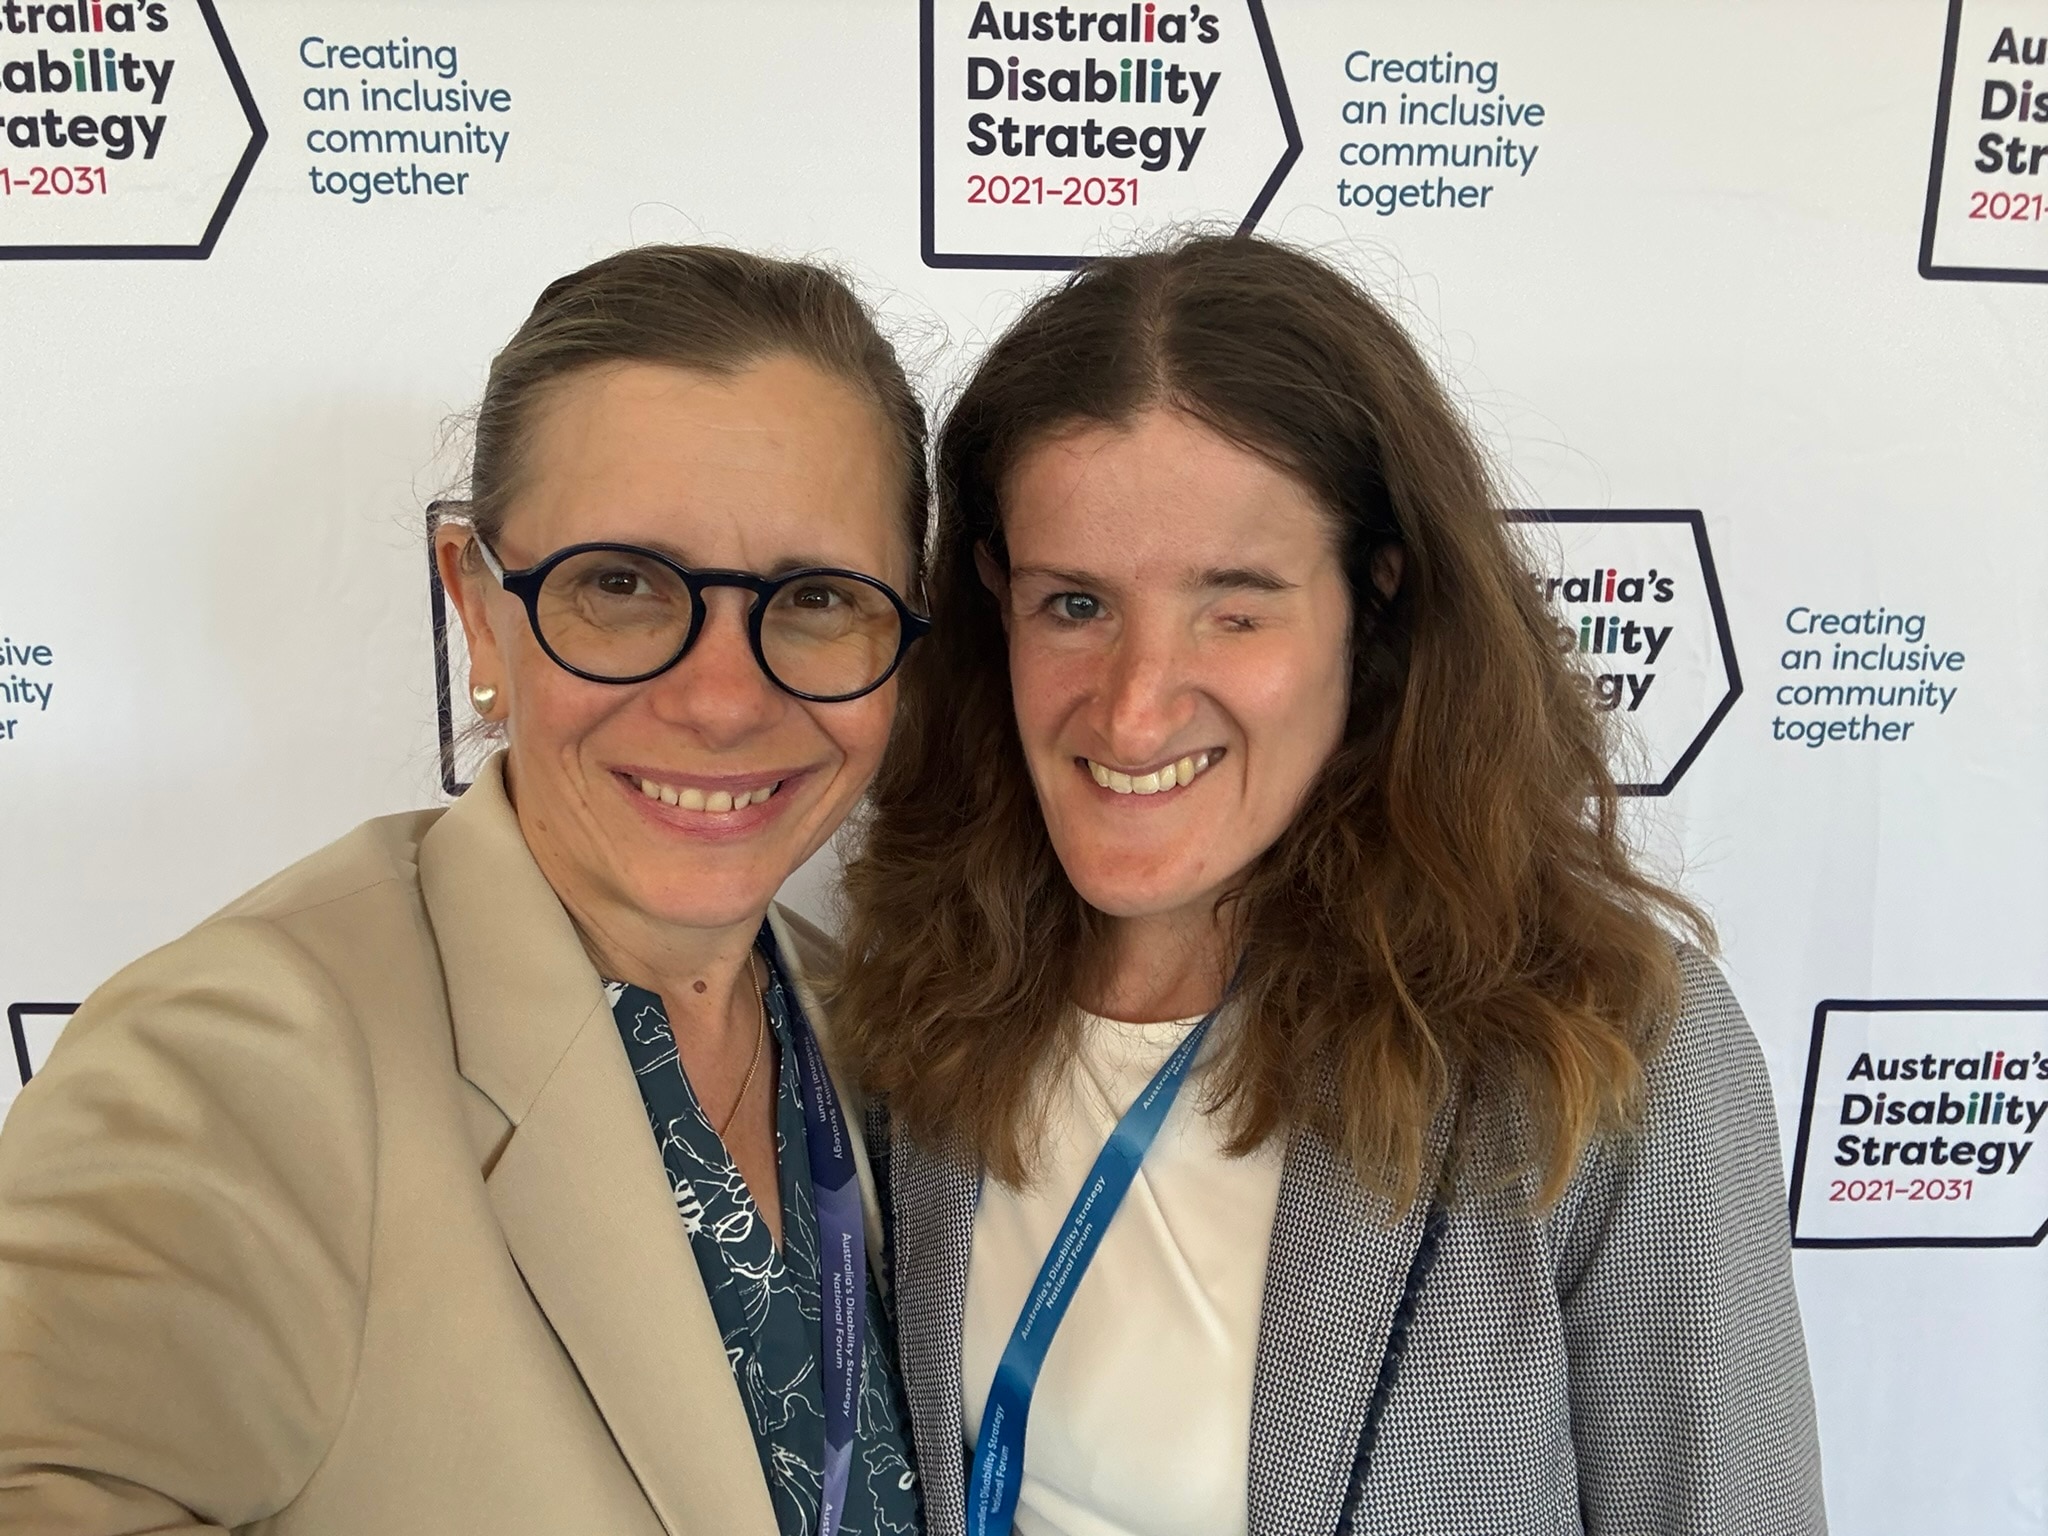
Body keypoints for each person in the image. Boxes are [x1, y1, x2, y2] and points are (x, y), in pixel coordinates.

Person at [833, 234, 1826, 1536]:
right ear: (991, 602)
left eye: (1233, 608)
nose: (1133, 712)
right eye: (1074, 604)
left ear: (1379, 604)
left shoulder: (1607, 1045)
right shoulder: (926, 982)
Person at [0, 246, 929, 1536]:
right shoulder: (248, 1055)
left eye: (819, 597)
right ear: (478, 613)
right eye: (620, 586)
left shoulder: (868, 1029)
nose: (723, 698)